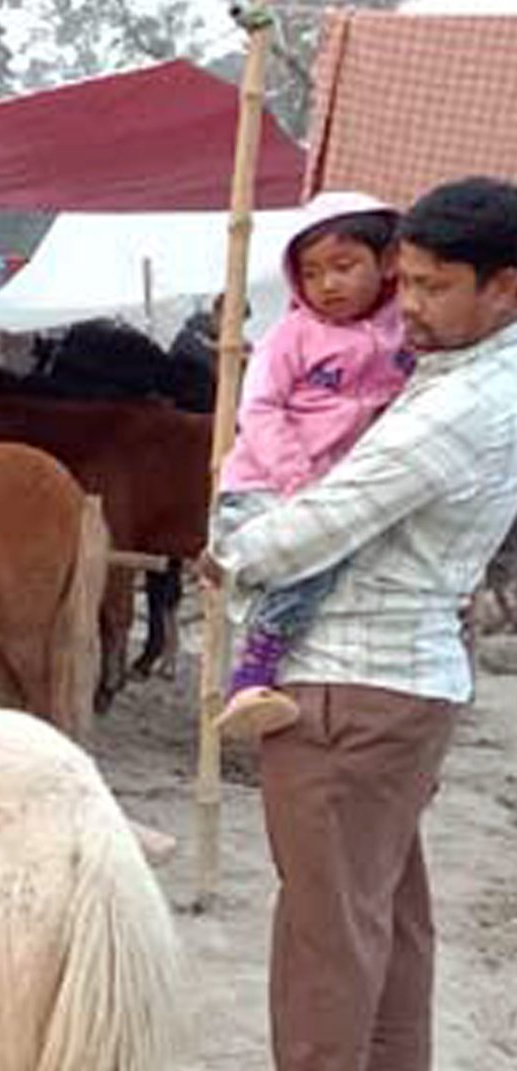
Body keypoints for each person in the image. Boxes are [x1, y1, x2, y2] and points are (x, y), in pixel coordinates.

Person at [178, 177, 517, 1071]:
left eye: (430, 285)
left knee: (323, 921)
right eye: (402, 279)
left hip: (353, 681)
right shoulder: (462, 373)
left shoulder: (459, 404)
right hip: (402, 682)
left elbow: (329, 518)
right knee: (384, 909)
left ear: (503, 287)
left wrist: (232, 552)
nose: (403, 303)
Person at [214, 194, 419, 741]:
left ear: (390, 262)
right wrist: (297, 479)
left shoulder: (408, 329)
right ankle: (254, 669)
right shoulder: (291, 336)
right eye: (310, 273)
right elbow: (257, 409)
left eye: (344, 266)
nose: (327, 284)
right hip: (262, 482)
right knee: (312, 564)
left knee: (337, 564)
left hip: (337, 487)